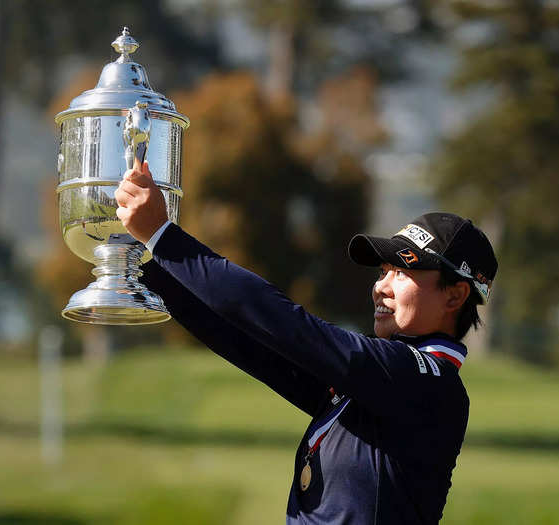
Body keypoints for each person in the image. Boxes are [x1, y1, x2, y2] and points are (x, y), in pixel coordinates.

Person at [115, 160, 498, 525]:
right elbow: (258, 347)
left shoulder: (427, 382)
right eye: (384, 271)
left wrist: (164, 238)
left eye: (402, 272)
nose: (380, 287)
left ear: (454, 296)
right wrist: (145, 269)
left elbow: (286, 325)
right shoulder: (375, 385)